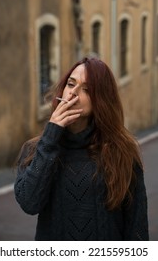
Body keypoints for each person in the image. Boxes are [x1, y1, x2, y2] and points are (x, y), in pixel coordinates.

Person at [14, 57, 149, 241]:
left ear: (100, 100)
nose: (74, 93)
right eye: (71, 84)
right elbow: (29, 203)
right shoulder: (36, 149)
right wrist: (51, 136)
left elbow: (137, 227)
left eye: (86, 89)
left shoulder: (122, 152)